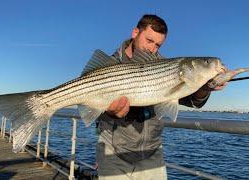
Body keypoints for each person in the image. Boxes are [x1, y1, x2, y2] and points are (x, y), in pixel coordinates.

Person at [95, 14, 226, 179]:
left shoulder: (166, 65)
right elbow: (94, 110)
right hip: (114, 152)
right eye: (149, 41)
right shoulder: (109, 63)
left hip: (152, 152)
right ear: (135, 33)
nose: (152, 49)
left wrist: (206, 87)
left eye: (158, 45)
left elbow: (192, 100)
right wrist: (110, 113)